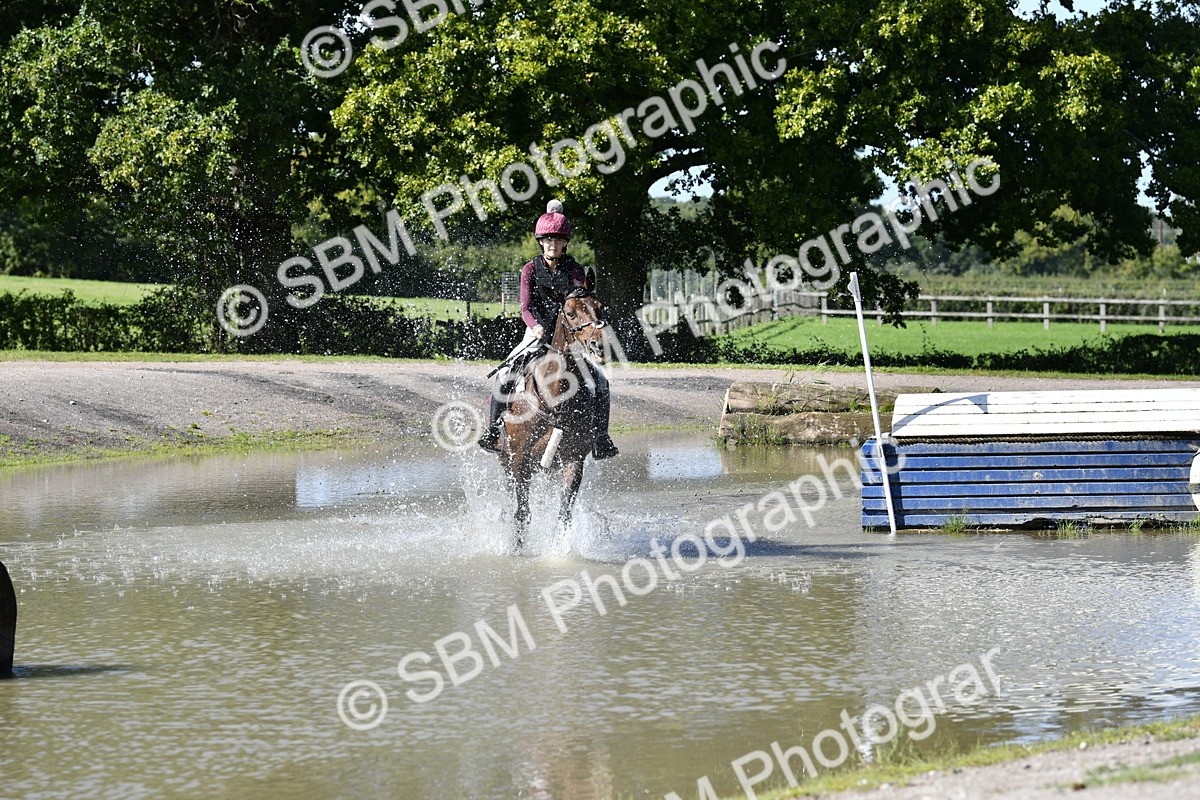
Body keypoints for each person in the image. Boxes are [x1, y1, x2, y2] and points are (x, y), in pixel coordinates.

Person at [478, 200, 619, 459]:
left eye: (558, 240)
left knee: (601, 381)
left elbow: (581, 300)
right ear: (541, 242)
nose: (553, 244)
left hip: (570, 336)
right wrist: (536, 327)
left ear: (565, 243)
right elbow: (525, 308)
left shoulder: (574, 269)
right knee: (505, 373)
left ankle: (601, 437)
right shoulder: (530, 269)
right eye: (548, 240)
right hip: (536, 332)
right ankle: (494, 430)